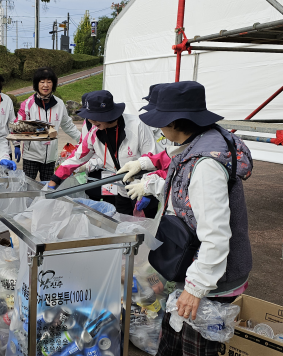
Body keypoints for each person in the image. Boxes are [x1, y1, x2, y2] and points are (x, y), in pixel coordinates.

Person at [121, 81, 253, 356]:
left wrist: (195, 288)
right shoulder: (206, 138)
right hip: (197, 267)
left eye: (160, 121)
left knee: (194, 348)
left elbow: (216, 234)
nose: (158, 128)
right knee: (173, 342)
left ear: (175, 122)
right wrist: (149, 178)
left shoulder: (206, 166)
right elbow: (183, 181)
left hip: (212, 279)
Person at [48, 90, 159, 217]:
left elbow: (152, 158)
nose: (91, 121)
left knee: (145, 229)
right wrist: (55, 179)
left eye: (95, 116)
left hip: (142, 188)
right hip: (121, 188)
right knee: (122, 226)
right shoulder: (94, 132)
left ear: (108, 114)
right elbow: (77, 157)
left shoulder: (136, 126)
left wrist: (147, 187)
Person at [15, 67, 81, 181]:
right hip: (31, 156)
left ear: (53, 84)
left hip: (50, 157)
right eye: (42, 82)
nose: (45, 85)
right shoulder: (28, 104)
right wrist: (16, 143)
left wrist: (83, 140)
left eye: (49, 82)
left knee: (48, 189)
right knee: (27, 188)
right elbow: (18, 126)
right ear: (37, 84)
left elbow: (68, 125)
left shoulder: (59, 104)